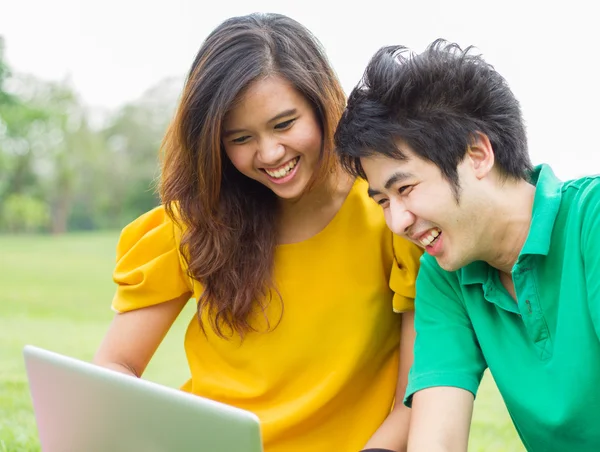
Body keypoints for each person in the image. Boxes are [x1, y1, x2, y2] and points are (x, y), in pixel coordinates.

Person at [93, 12, 422, 452]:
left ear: (324, 108)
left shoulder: (389, 217)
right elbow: (115, 365)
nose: (269, 153)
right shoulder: (195, 222)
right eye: (240, 138)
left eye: (285, 124)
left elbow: (414, 397)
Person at [333, 39, 600, 452]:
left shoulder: (591, 221)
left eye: (405, 188)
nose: (397, 221)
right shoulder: (446, 275)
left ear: (477, 154)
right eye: (384, 201)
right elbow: (434, 439)